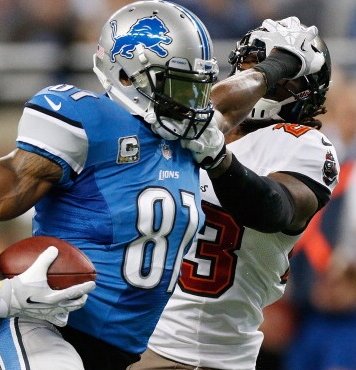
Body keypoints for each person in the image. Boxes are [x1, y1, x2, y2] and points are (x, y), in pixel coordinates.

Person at [0, 1, 325, 369]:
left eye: (196, 85)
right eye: (176, 85)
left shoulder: (185, 134)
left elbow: (234, 96)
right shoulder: (84, 121)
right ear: (126, 75)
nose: (192, 101)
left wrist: (280, 64)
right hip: (45, 328)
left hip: (121, 353)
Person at [128, 19, 339, 370]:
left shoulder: (302, 142)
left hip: (192, 354)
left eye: (280, 72)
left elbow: (274, 209)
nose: (260, 77)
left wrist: (221, 162)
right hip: (126, 337)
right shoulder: (191, 129)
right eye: (253, 65)